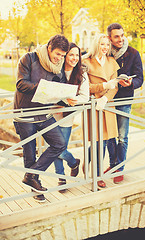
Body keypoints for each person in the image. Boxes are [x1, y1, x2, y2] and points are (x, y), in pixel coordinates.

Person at [13, 34, 69, 202]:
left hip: (45, 114)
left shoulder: (58, 67)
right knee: (30, 154)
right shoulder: (28, 59)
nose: (60, 59)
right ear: (49, 48)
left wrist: (66, 99)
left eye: (62, 56)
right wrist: (43, 88)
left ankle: (30, 176)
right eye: (58, 54)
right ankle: (36, 190)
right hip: (25, 114)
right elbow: (21, 84)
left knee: (59, 143)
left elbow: (60, 90)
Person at [105, 23, 144, 183]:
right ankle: (113, 164)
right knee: (109, 136)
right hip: (107, 99)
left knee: (122, 137)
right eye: (116, 36)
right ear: (109, 38)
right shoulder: (105, 51)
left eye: (122, 35)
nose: (120, 39)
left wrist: (131, 83)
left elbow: (140, 78)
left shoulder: (134, 53)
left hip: (124, 99)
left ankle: (119, 168)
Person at [82, 33, 120, 188]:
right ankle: (97, 176)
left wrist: (105, 98)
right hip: (93, 106)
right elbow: (85, 87)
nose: (105, 48)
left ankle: (94, 169)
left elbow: (115, 85)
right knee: (97, 141)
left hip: (107, 106)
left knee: (105, 141)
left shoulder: (112, 61)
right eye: (102, 44)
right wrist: (103, 87)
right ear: (96, 44)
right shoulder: (86, 62)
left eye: (107, 45)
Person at [53, 42, 89, 192]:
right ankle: (61, 177)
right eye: (71, 55)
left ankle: (73, 163)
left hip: (67, 117)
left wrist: (70, 102)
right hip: (52, 114)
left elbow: (85, 97)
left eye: (77, 55)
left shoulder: (81, 74)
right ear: (65, 55)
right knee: (53, 148)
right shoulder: (55, 70)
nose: (74, 58)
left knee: (60, 149)